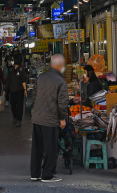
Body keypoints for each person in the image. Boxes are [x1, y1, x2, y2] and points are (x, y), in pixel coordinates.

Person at [30, 53, 69, 183]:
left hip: (37, 118)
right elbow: (62, 103)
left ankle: (35, 174)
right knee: (50, 148)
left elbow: (34, 96)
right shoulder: (60, 80)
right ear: (60, 65)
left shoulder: (41, 77)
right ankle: (47, 175)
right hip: (50, 119)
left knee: (37, 148)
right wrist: (62, 118)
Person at [6, 55, 29, 127]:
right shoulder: (10, 69)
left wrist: (25, 89)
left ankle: (19, 120)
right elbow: (8, 80)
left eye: (13, 60)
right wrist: (5, 89)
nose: (12, 61)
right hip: (12, 90)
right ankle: (14, 117)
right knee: (12, 104)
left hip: (20, 90)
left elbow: (23, 80)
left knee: (19, 105)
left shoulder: (22, 69)